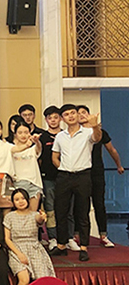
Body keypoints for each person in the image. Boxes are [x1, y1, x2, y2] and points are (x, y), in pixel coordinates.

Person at [50, 104, 102, 261]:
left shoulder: (87, 132)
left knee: (82, 211)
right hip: (64, 176)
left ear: (77, 115)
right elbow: (54, 157)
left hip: (83, 176)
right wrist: (64, 168)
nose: (71, 116)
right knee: (60, 211)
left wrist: (95, 125)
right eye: (66, 114)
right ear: (62, 118)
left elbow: (97, 138)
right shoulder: (60, 136)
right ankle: (61, 245)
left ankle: (84, 247)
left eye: (73, 113)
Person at [4, 188, 54, 285]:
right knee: (24, 279)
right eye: (17, 199)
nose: (20, 201)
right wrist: (19, 254)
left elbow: (39, 219)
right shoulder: (9, 217)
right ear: (13, 202)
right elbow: (7, 239)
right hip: (16, 249)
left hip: (34, 248)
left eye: (22, 198)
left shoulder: (34, 215)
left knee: (42, 280)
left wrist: (42, 217)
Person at [77, 105, 124, 247]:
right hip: (80, 172)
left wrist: (119, 165)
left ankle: (103, 235)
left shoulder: (99, 132)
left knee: (99, 203)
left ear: (89, 114)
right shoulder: (75, 133)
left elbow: (111, 150)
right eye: (78, 113)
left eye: (84, 112)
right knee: (81, 205)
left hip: (96, 171)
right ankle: (78, 236)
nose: (81, 115)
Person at [39, 106, 62, 250]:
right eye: (50, 118)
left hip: (65, 177)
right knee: (50, 208)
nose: (53, 120)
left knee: (67, 209)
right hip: (47, 177)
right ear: (46, 120)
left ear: (60, 119)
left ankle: (68, 237)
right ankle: (52, 237)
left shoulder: (66, 135)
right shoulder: (42, 137)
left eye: (55, 117)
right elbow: (39, 159)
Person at [11, 122, 43, 211]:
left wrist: (36, 141)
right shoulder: (10, 148)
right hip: (18, 184)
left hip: (34, 184)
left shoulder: (32, 148)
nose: (23, 135)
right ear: (15, 134)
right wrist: (26, 145)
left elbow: (38, 149)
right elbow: (13, 150)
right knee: (21, 214)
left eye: (26, 132)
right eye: (20, 133)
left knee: (32, 214)